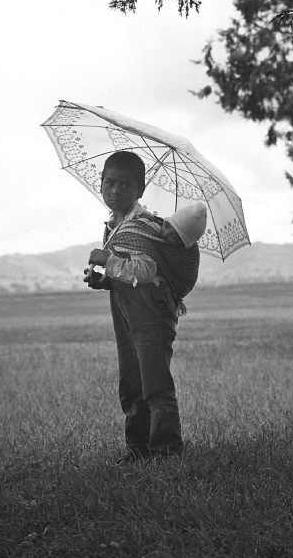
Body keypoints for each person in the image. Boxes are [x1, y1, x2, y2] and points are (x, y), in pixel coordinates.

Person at [84, 151, 207, 462]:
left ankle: (167, 452)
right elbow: (127, 276)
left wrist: (107, 260)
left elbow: (145, 271)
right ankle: (137, 450)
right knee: (131, 383)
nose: (115, 191)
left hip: (150, 314)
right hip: (126, 309)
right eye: (109, 183)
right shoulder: (116, 224)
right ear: (100, 184)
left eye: (126, 186)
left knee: (154, 385)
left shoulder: (141, 225)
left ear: (140, 190)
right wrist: (105, 281)